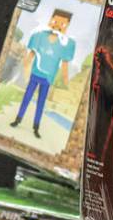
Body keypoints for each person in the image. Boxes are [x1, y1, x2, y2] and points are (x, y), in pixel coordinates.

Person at [10, 9, 75, 139]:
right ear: (51, 19)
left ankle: (36, 126)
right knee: (27, 98)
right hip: (35, 74)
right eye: (55, 21)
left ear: (67, 25)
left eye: (63, 24)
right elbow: (30, 55)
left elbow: (64, 64)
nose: (57, 25)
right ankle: (18, 119)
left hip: (48, 78)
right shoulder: (39, 36)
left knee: (41, 102)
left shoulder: (65, 44)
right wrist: (26, 67)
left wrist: (66, 79)